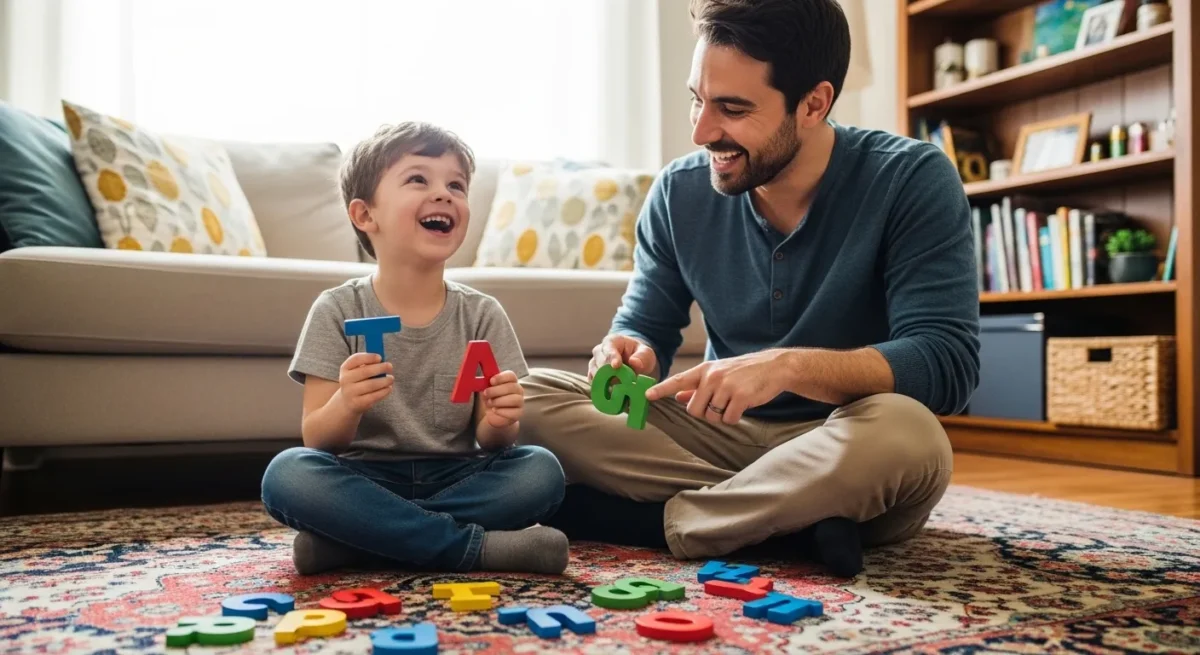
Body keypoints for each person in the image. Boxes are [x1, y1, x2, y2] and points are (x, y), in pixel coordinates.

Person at [518, 0, 980, 577]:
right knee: (530, 399)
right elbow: (645, 324)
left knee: (912, 438)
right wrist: (629, 348)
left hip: (843, 434)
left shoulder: (911, 179)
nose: (701, 131)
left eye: (732, 108)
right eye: (697, 99)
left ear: (814, 104)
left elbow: (946, 363)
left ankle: (649, 521)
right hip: (715, 433)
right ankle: (797, 521)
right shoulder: (678, 192)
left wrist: (786, 367)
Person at [261, 122, 569, 576]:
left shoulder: (482, 313)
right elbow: (318, 440)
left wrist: (502, 420)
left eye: (456, 185)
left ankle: (360, 542)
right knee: (288, 473)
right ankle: (472, 549)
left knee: (540, 470)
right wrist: (346, 403)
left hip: (458, 477)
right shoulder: (335, 308)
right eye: (418, 179)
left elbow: (492, 441)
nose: (443, 193)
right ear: (365, 215)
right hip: (364, 479)